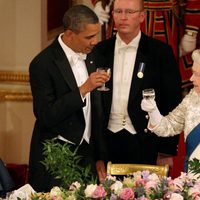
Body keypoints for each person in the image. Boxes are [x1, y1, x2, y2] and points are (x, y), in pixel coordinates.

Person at [28, 4, 109, 192]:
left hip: (87, 156)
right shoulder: (42, 64)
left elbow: (95, 111)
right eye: (89, 37)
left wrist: (99, 156)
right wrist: (83, 89)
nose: (95, 41)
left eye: (96, 35)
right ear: (70, 34)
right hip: (55, 158)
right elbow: (46, 115)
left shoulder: (92, 55)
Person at [94, 0, 182, 168]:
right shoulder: (99, 51)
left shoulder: (160, 53)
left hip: (145, 141)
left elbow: (173, 103)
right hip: (107, 142)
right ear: (112, 15)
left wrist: (166, 151)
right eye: (118, 11)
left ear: (142, 16)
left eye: (129, 12)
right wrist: (96, 152)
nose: (123, 17)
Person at [141, 49, 200, 172]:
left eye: (196, 74)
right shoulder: (192, 98)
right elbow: (169, 126)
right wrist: (153, 111)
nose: (191, 78)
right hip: (193, 177)